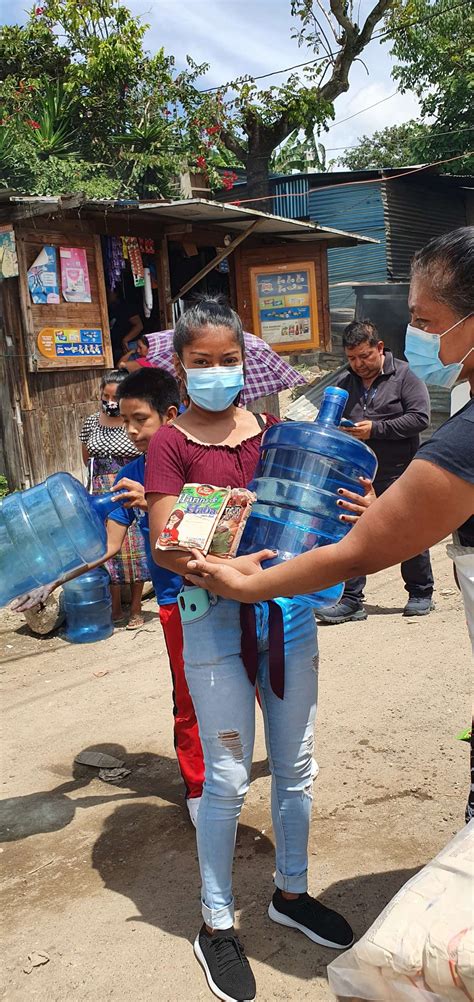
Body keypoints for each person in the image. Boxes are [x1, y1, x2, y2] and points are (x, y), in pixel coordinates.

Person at [183, 229, 474, 824]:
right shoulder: (173, 440)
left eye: (424, 319)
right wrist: (387, 517)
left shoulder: (459, 430)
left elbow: (354, 553)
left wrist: (245, 585)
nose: (414, 334)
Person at [145, 297, 354, 1002]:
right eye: (200, 362)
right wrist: (220, 572)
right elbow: (166, 541)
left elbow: (312, 511)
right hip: (211, 621)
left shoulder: (274, 431)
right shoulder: (169, 442)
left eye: (227, 360)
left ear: (245, 363)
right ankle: (215, 919)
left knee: (296, 765)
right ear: (180, 367)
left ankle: (289, 894)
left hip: (287, 615)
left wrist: (360, 500)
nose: (215, 372)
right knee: (228, 778)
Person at [15, 369, 206, 825]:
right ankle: (198, 788)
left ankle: (278, 761)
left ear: (171, 415)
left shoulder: (202, 459)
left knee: (257, 682)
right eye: (125, 421)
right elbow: (107, 546)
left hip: (230, 590)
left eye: (141, 420)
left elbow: (224, 523)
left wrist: (164, 503)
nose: (132, 432)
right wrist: (54, 579)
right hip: (177, 602)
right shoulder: (129, 475)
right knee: (189, 697)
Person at [316, 318, 434, 624]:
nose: (358, 364)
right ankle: (352, 600)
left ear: (379, 348)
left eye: (365, 356)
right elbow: (325, 422)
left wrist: (376, 429)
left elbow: (420, 418)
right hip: (356, 474)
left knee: (407, 529)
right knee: (352, 533)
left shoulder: (405, 375)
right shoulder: (344, 383)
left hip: (399, 471)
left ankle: (420, 592)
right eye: (352, 358)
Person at [79, 370, 148, 628]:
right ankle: (115, 607)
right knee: (106, 548)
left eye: (115, 396)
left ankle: (137, 608)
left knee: (135, 547)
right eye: (105, 395)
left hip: (128, 485)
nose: (109, 401)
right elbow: (86, 458)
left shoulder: (133, 422)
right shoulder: (90, 423)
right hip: (99, 488)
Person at [107, 287, 143, 365]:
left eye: (109, 292)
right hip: (117, 347)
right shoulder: (111, 309)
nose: (107, 294)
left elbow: (139, 325)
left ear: (116, 293)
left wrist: (125, 340)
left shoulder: (125, 307)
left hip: (129, 346)